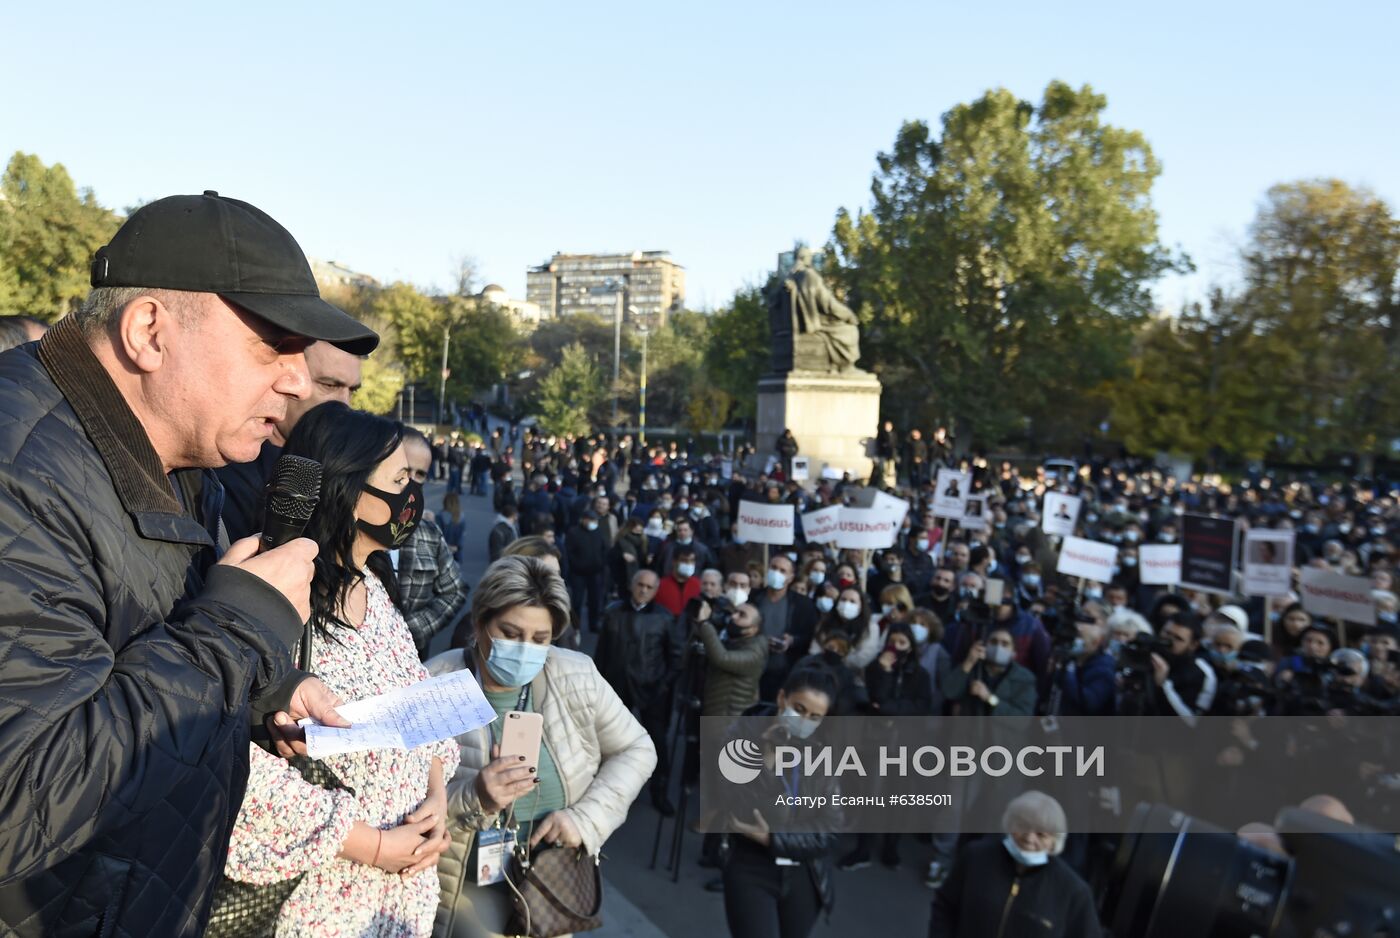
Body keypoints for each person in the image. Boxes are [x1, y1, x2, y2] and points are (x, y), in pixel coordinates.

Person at [0, 192, 369, 936]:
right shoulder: (19, 473)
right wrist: (238, 629)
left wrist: (266, 687)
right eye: (274, 346)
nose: (298, 382)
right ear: (149, 332)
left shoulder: (168, 449)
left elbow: (135, 640)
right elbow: (20, 798)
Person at [222, 404, 459, 936]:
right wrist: (373, 846)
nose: (413, 498)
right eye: (401, 480)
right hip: (314, 908)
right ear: (349, 493)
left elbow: (419, 711)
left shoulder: (372, 586)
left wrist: (436, 801)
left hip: (399, 903)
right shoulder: (280, 597)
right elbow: (234, 767)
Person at [427, 556, 656, 938]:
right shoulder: (437, 681)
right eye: (511, 633)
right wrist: (476, 795)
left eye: (540, 639)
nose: (525, 650)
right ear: (481, 622)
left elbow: (637, 748)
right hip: (465, 886)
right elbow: (402, 800)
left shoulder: (576, 674)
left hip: (549, 880)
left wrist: (584, 820)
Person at [720, 666, 842, 938]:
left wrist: (774, 838)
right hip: (751, 867)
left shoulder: (823, 753)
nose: (804, 721)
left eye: (815, 717)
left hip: (804, 873)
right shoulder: (743, 733)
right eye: (798, 708)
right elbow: (734, 805)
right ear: (781, 698)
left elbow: (830, 828)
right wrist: (767, 758)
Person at [217, 336, 364, 540]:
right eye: (329, 385)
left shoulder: (346, 469)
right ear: (294, 379)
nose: (344, 403)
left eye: (352, 390)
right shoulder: (226, 469)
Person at [928, 792, 1101, 937]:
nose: (1028, 838)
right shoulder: (976, 857)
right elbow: (945, 907)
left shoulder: (1073, 892)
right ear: (1009, 823)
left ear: (1054, 842)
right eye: (1023, 826)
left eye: (1041, 834)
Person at [593, 569, 683, 814]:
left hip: (651, 691)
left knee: (657, 743)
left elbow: (676, 657)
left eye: (649, 587)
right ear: (632, 585)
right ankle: (604, 790)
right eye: (640, 585)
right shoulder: (614, 612)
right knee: (610, 740)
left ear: (655, 591)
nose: (643, 590)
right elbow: (601, 654)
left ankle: (659, 792)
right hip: (617, 689)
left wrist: (662, 685)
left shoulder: (664, 618)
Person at [397, 426, 469, 657]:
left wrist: (409, 630)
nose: (411, 482)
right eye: (405, 470)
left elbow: (455, 591)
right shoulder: (343, 529)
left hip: (412, 659)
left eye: (420, 474)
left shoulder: (427, 534)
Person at [565, 508, 609, 632]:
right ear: (583, 520)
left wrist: (602, 563)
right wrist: (576, 565)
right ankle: (576, 626)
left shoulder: (598, 532)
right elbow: (569, 552)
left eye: (594, 520)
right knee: (577, 601)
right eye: (590, 519)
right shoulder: (573, 532)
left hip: (595, 573)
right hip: (578, 573)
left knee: (595, 601)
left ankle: (593, 624)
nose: (593, 522)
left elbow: (604, 549)